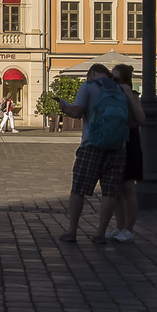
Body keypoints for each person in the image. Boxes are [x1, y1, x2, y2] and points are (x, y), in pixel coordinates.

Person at [57, 64, 134, 244]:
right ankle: (100, 233)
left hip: (91, 145)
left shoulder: (88, 87)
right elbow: (130, 121)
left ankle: (72, 231)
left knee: (78, 190)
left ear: (91, 73)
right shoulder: (121, 89)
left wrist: (64, 107)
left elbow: (76, 112)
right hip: (117, 147)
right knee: (110, 192)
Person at [95, 64, 144, 242]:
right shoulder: (111, 95)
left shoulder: (132, 96)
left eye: (115, 79)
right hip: (114, 142)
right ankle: (119, 226)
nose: (112, 82)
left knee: (128, 188)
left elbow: (141, 118)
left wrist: (129, 96)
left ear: (125, 81)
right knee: (113, 188)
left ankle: (129, 228)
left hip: (130, 143)